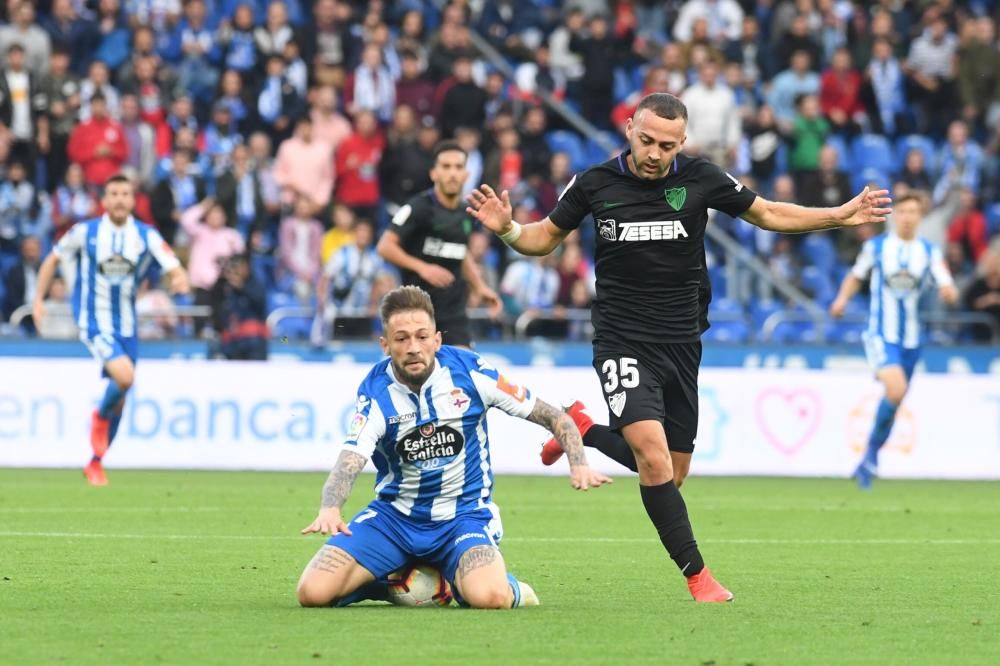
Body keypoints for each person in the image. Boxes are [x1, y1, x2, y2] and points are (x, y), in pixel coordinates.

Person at [466, 92, 891, 602]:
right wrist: (509, 228)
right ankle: (698, 577)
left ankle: (580, 425)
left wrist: (839, 216)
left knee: (673, 471)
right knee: (652, 458)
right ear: (629, 129)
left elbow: (769, 213)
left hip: (682, 342)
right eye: (646, 140)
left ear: (681, 142)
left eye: (666, 145)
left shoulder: (701, 178)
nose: (654, 153)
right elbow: (543, 239)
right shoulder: (595, 183)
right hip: (622, 340)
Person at [296, 286, 610, 609]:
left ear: (437, 339)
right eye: (402, 339)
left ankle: (504, 587)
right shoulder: (376, 392)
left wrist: (579, 462)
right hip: (394, 519)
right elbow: (350, 459)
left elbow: (555, 416)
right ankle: (392, 585)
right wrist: (331, 507)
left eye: (422, 336)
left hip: (463, 518)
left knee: (490, 598)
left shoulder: (471, 373)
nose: (413, 347)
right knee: (312, 593)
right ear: (385, 345)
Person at [31, 174, 190, 486]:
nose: (119, 199)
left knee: (121, 395)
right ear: (104, 200)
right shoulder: (86, 232)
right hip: (94, 321)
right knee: (125, 377)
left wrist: (179, 277)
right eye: (113, 193)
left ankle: (96, 461)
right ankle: (99, 418)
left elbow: (172, 263)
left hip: (127, 326)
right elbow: (52, 260)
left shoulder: (145, 235)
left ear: (133, 200)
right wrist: (38, 299)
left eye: (125, 194)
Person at [830, 191, 958, 489]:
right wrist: (841, 300)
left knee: (896, 398)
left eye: (913, 212)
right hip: (881, 333)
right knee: (897, 388)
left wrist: (949, 292)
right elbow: (856, 276)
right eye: (902, 211)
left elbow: (946, 280)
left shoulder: (928, 251)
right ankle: (872, 456)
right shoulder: (876, 247)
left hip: (913, 340)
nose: (907, 217)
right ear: (894, 215)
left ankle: (867, 460)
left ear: (920, 216)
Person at [377, 141, 501, 347]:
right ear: (434, 173)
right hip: (417, 313)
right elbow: (385, 246)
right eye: (446, 167)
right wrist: (423, 267)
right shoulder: (418, 208)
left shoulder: (466, 213)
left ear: (466, 175)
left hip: (454, 314)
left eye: (458, 167)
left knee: (461, 373)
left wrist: (480, 287)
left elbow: (460, 253)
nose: (452, 173)